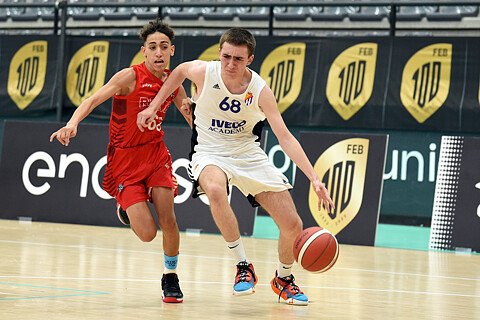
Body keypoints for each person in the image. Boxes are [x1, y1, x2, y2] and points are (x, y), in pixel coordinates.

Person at [137, 27, 335, 306]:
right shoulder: (205, 72)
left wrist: (314, 178)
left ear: (250, 60)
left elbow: (285, 137)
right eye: (226, 56)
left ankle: (284, 279)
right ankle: (243, 266)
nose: (231, 64)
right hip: (210, 152)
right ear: (219, 54)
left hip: (248, 153)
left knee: (293, 224)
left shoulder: (260, 91)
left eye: (238, 59)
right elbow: (179, 71)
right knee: (216, 190)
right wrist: (155, 106)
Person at [50, 19, 191, 303]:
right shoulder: (129, 77)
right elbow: (93, 99)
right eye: (153, 47)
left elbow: (191, 119)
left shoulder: (174, 83)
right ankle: (124, 207)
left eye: (164, 47)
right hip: (125, 162)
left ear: (172, 50)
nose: (159, 53)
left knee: (169, 218)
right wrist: (72, 123)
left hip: (156, 155)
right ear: (144, 52)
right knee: (148, 234)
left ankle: (170, 277)